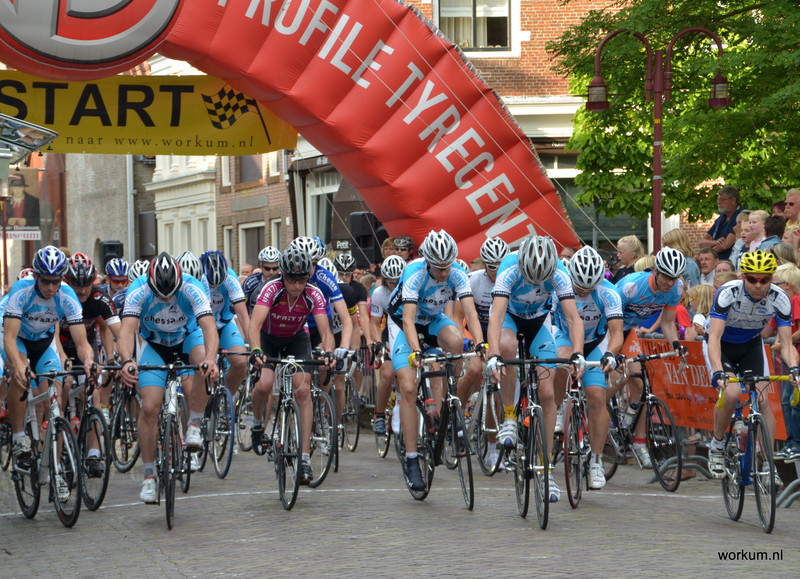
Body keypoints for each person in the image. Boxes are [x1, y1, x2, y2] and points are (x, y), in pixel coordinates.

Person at [486, 234, 585, 502]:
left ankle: (546, 468)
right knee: (507, 348)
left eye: (539, 278)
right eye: (529, 277)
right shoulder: (509, 266)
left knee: (548, 393)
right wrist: (493, 354)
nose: (533, 282)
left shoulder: (560, 272)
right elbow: (496, 316)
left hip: (539, 322)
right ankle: (509, 416)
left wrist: (578, 352)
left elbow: (573, 318)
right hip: (510, 318)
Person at [388, 229, 486, 491]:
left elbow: (470, 313)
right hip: (404, 322)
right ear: (428, 261)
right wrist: (416, 351)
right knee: (408, 387)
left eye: (447, 267)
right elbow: (408, 319)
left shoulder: (457, 273)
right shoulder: (414, 273)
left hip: (432, 319)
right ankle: (411, 459)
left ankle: (447, 401)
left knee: (456, 341)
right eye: (439, 268)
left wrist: (480, 343)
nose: (444, 273)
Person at [117, 252, 219, 504]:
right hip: (155, 345)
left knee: (204, 365)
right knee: (149, 407)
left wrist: (211, 358)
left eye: (170, 294)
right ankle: (149, 477)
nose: (165, 298)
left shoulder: (192, 287)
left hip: (187, 338)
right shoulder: (138, 289)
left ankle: (194, 425)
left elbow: (208, 327)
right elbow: (126, 331)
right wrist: (127, 360)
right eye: (160, 295)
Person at [2, 246, 96, 482]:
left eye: (56, 282)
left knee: (55, 396)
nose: (51, 287)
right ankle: (19, 436)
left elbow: (82, 342)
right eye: (45, 281)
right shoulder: (21, 291)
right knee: (20, 376)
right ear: (36, 276)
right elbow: (9, 338)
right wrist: (18, 364)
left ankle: (55, 464)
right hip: (19, 339)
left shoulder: (67, 296)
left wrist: (89, 361)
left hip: (44, 343)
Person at [707, 250, 799, 479]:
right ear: (742, 277)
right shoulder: (727, 293)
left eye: (764, 280)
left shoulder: (780, 298)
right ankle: (717, 445)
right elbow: (714, 338)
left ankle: (768, 463)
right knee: (731, 393)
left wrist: (794, 369)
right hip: (723, 344)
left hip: (751, 344)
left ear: (771, 278)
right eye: (752, 279)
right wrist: (718, 371)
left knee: (763, 400)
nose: (758, 285)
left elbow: (787, 344)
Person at [247, 246, 335, 485]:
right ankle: (258, 423)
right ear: (282, 276)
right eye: (292, 280)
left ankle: (304, 458)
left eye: (302, 280)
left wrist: (328, 352)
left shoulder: (313, 293)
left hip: (296, 339)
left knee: (303, 391)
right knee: (264, 384)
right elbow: (254, 326)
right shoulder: (271, 289)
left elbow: (326, 332)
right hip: (268, 338)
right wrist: (255, 350)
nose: (297, 286)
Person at [553, 246, 623, 489]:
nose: (583, 291)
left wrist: (611, 354)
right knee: (562, 363)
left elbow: (616, 332)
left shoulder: (609, 292)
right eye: (579, 286)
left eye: (589, 287)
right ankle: (559, 406)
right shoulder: (560, 287)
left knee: (597, 397)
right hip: (564, 336)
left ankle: (595, 461)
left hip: (594, 342)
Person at [615, 246, 687, 468]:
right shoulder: (631, 286)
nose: (670, 282)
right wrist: (613, 353)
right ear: (655, 271)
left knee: (641, 382)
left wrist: (675, 344)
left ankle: (639, 442)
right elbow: (610, 319)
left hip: (629, 331)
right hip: (609, 329)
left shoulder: (676, 288)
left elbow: (668, 322)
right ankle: (600, 413)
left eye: (675, 277)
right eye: (667, 277)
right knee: (618, 376)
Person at [368, 255, 406, 436]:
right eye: (390, 282)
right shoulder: (379, 293)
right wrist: (378, 344)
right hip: (388, 334)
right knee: (388, 374)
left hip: (409, 331)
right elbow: (375, 323)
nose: (394, 285)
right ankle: (380, 414)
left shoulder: (411, 288)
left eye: (397, 281)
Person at [767, 264, 800, 463]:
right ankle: (791, 442)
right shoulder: (782, 305)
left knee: (795, 402)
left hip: (796, 359)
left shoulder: (795, 300)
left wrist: (784, 343)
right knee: (788, 401)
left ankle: (796, 443)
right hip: (792, 359)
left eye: (775, 283)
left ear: (787, 285)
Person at [699, 185, 743, 260]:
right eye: (718, 200)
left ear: (733, 200)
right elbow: (701, 242)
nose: (719, 202)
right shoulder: (722, 217)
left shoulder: (741, 217)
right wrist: (716, 242)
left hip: (730, 261)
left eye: (722, 199)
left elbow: (725, 245)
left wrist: (709, 245)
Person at [241, 246, 281, 315]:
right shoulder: (251, 281)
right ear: (261, 267)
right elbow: (242, 307)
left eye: (275, 268)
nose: (271, 272)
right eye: (267, 268)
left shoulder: (284, 282)